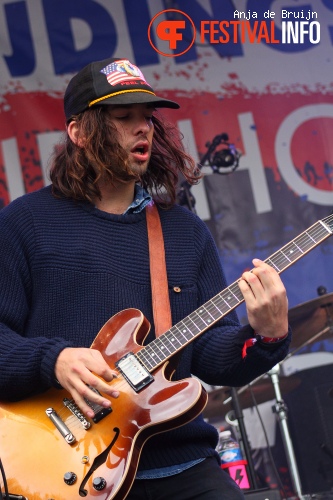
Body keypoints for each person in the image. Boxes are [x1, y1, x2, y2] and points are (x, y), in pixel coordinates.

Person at [0, 57, 291, 499]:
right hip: (67, 468)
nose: (144, 129)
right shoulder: (25, 223)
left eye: (147, 118)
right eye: (123, 117)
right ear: (79, 132)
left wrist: (267, 336)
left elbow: (212, 356)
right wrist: (53, 360)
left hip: (182, 464)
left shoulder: (184, 231)